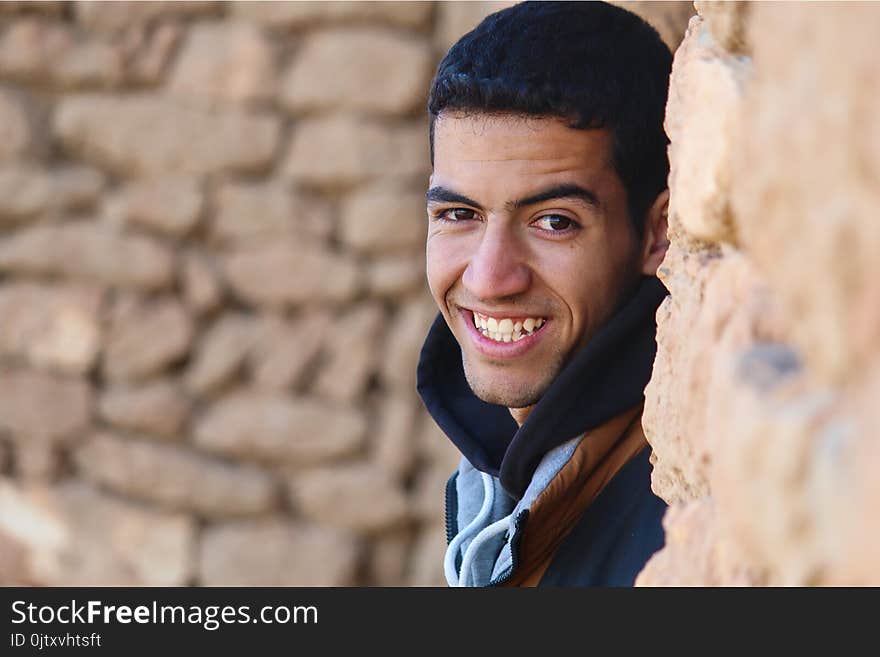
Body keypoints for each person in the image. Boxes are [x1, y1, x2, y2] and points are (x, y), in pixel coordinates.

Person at [417, 1, 673, 587]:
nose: (488, 279)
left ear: (657, 233)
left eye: (553, 221)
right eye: (460, 214)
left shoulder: (675, 527)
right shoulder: (493, 481)